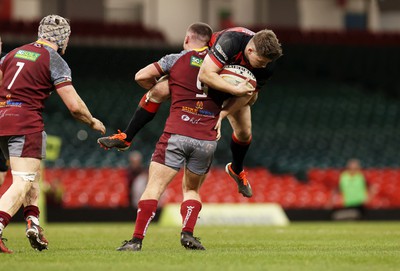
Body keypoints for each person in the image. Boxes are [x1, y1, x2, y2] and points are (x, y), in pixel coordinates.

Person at [98, 27, 282, 198]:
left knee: (244, 132)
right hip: (205, 69)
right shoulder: (230, 42)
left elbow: (246, 95)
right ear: (250, 51)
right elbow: (205, 74)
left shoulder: (269, 65)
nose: (264, 66)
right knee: (158, 91)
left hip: (234, 87)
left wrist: (223, 114)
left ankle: (236, 169)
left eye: (266, 63)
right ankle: (126, 137)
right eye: (261, 61)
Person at [116, 22, 250, 252]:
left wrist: (167, 90)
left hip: (176, 134)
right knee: (191, 190)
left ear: (187, 39)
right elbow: (245, 95)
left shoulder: (176, 59)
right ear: (210, 42)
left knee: (154, 188)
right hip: (206, 139)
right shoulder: (222, 65)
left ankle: (136, 240)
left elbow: (141, 76)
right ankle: (188, 234)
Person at [0, 15, 106, 254]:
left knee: (31, 175)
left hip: (2, 119)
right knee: (23, 180)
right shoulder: (54, 59)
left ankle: (33, 223)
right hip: (25, 122)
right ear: (64, 38)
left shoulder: (13, 53)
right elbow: (75, 106)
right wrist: (92, 122)